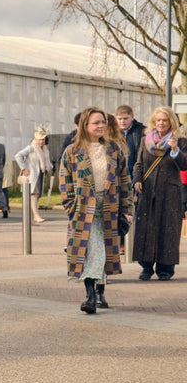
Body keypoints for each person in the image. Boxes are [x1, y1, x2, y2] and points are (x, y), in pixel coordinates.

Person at [60, 107, 132, 313]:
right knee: (92, 249)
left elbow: (125, 180)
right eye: (96, 123)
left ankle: (99, 292)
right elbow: (65, 183)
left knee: (105, 249)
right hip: (84, 209)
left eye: (103, 122)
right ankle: (91, 296)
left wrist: (127, 209)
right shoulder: (72, 152)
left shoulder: (114, 150)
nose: (101, 126)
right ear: (85, 125)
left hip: (110, 207)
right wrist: (71, 206)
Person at [132, 105, 187, 280]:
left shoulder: (180, 141)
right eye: (158, 120)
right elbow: (138, 164)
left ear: (171, 121)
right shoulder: (145, 140)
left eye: (165, 120)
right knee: (146, 228)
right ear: (153, 122)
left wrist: (176, 150)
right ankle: (146, 267)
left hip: (170, 192)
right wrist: (137, 180)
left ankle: (165, 269)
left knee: (168, 230)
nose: (161, 123)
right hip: (147, 191)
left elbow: (184, 165)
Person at [14, 128, 53, 224]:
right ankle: (36, 216)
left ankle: (29, 219)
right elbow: (18, 155)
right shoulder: (31, 147)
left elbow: (45, 162)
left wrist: (51, 167)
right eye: (40, 139)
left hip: (40, 175)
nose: (41, 141)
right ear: (35, 139)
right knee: (33, 195)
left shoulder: (44, 149)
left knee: (35, 196)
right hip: (32, 176)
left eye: (43, 139)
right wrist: (24, 168)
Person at [116, 104, 145, 183]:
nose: (122, 121)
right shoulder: (113, 133)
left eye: (125, 118)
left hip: (135, 175)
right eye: (120, 119)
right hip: (118, 176)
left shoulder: (142, 131)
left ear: (132, 117)